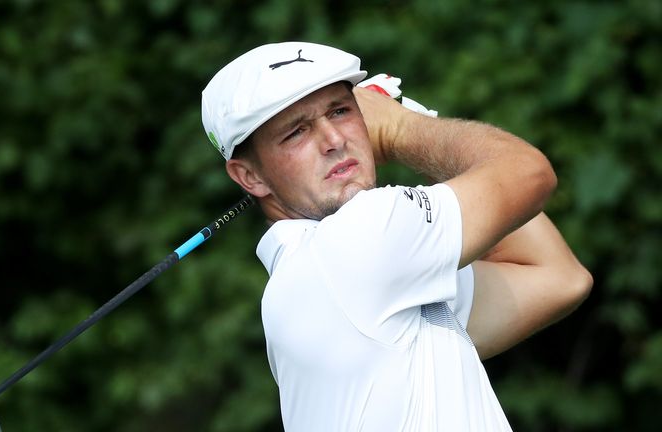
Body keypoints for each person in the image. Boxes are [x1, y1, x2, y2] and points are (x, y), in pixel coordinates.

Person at [201, 41, 592, 431]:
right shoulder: (358, 239)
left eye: (340, 111)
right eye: (296, 133)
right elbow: (529, 174)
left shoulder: (334, 276)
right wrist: (402, 127)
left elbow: (558, 278)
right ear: (249, 176)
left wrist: (409, 136)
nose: (334, 140)